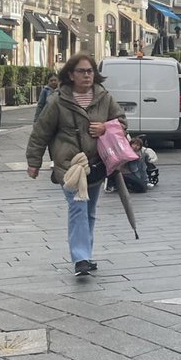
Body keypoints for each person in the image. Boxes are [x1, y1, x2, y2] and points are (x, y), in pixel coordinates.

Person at [25, 53, 125, 277]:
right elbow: (41, 132)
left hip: (96, 164)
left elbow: (121, 122)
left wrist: (105, 128)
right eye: (81, 71)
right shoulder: (57, 101)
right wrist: (34, 162)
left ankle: (86, 255)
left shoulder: (104, 97)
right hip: (70, 166)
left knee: (89, 211)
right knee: (78, 208)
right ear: (70, 75)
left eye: (90, 71)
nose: (87, 75)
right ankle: (80, 258)